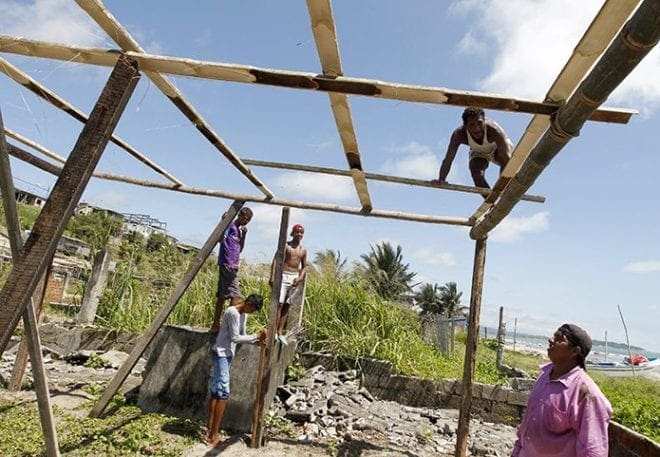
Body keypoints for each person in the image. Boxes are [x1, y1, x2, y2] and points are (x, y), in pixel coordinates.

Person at [512, 323, 613, 457]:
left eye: (559, 338)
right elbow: (527, 425)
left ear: (575, 351)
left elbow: (593, 450)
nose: (551, 340)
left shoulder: (586, 393)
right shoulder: (544, 375)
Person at [204, 294, 267, 446]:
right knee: (223, 394)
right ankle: (213, 436)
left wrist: (257, 341)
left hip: (227, 354)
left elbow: (243, 336)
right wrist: (256, 336)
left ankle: (209, 432)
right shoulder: (232, 312)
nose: (251, 313)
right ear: (248, 303)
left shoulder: (243, 315)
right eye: (252, 309)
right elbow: (235, 338)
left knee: (216, 392)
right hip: (221, 354)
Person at [433, 107, 512, 189]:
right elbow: (448, 159)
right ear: (465, 125)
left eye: (480, 123)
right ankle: (491, 200)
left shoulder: (493, 130)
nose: (476, 128)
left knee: (505, 159)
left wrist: (502, 187)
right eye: (472, 125)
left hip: (498, 149)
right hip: (478, 151)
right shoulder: (459, 134)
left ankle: (504, 188)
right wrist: (441, 179)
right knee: (476, 173)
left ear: (484, 121)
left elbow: (507, 158)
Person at [211, 207, 253, 331]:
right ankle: (228, 326)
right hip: (227, 264)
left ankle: (216, 325)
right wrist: (223, 223)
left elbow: (240, 249)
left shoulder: (239, 231)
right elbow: (220, 239)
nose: (245, 222)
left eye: (248, 220)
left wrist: (244, 235)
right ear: (241, 215)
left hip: (233, 265)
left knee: (222, 296)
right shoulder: (230, 226)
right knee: (236, 295)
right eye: (245, 218)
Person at [269, 223, 307, 346]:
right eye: (298, 232)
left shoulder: (303, 250)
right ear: (293, 232)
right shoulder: (286, 246)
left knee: (287, 304)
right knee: (278, 303)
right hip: (283, 274)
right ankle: (273, 330)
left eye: (301, 232)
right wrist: (272, 276)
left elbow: (304, 266)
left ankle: (280, 332)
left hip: (294, 277)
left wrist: (300, 278)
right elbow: (276, 260)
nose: (299, 234)